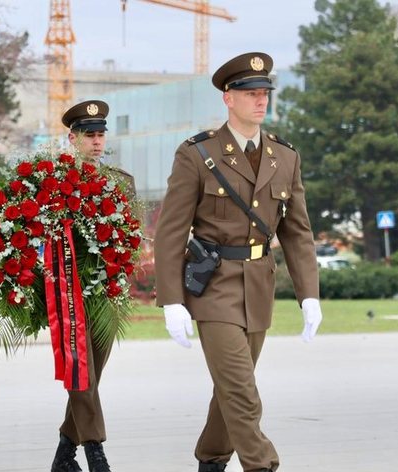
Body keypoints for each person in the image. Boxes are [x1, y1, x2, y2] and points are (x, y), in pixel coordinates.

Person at [154, 52, 323, 472]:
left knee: (229, 390)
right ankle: (262, 465)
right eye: (250, 93)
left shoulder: (285, 157)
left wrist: (309, 294)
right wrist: (171, 300)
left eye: (264, 92)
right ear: (228, 98)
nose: (260, 101)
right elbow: (171, 231)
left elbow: (297, 233)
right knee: (243, 392)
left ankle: (210, 460)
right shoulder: (197, 153)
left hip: (259, 285)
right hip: (213, 287)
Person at [49, 100, 135, 472]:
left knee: (91, 373)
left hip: (106, 291)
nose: (97, 142)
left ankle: (64, 454)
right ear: (72, 137)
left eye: (101, 134)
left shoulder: (120, 180)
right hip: (67, 290)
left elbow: (133, 235)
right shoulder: (52, 181)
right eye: (89, 135)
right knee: (80, 371)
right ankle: (95, 453)